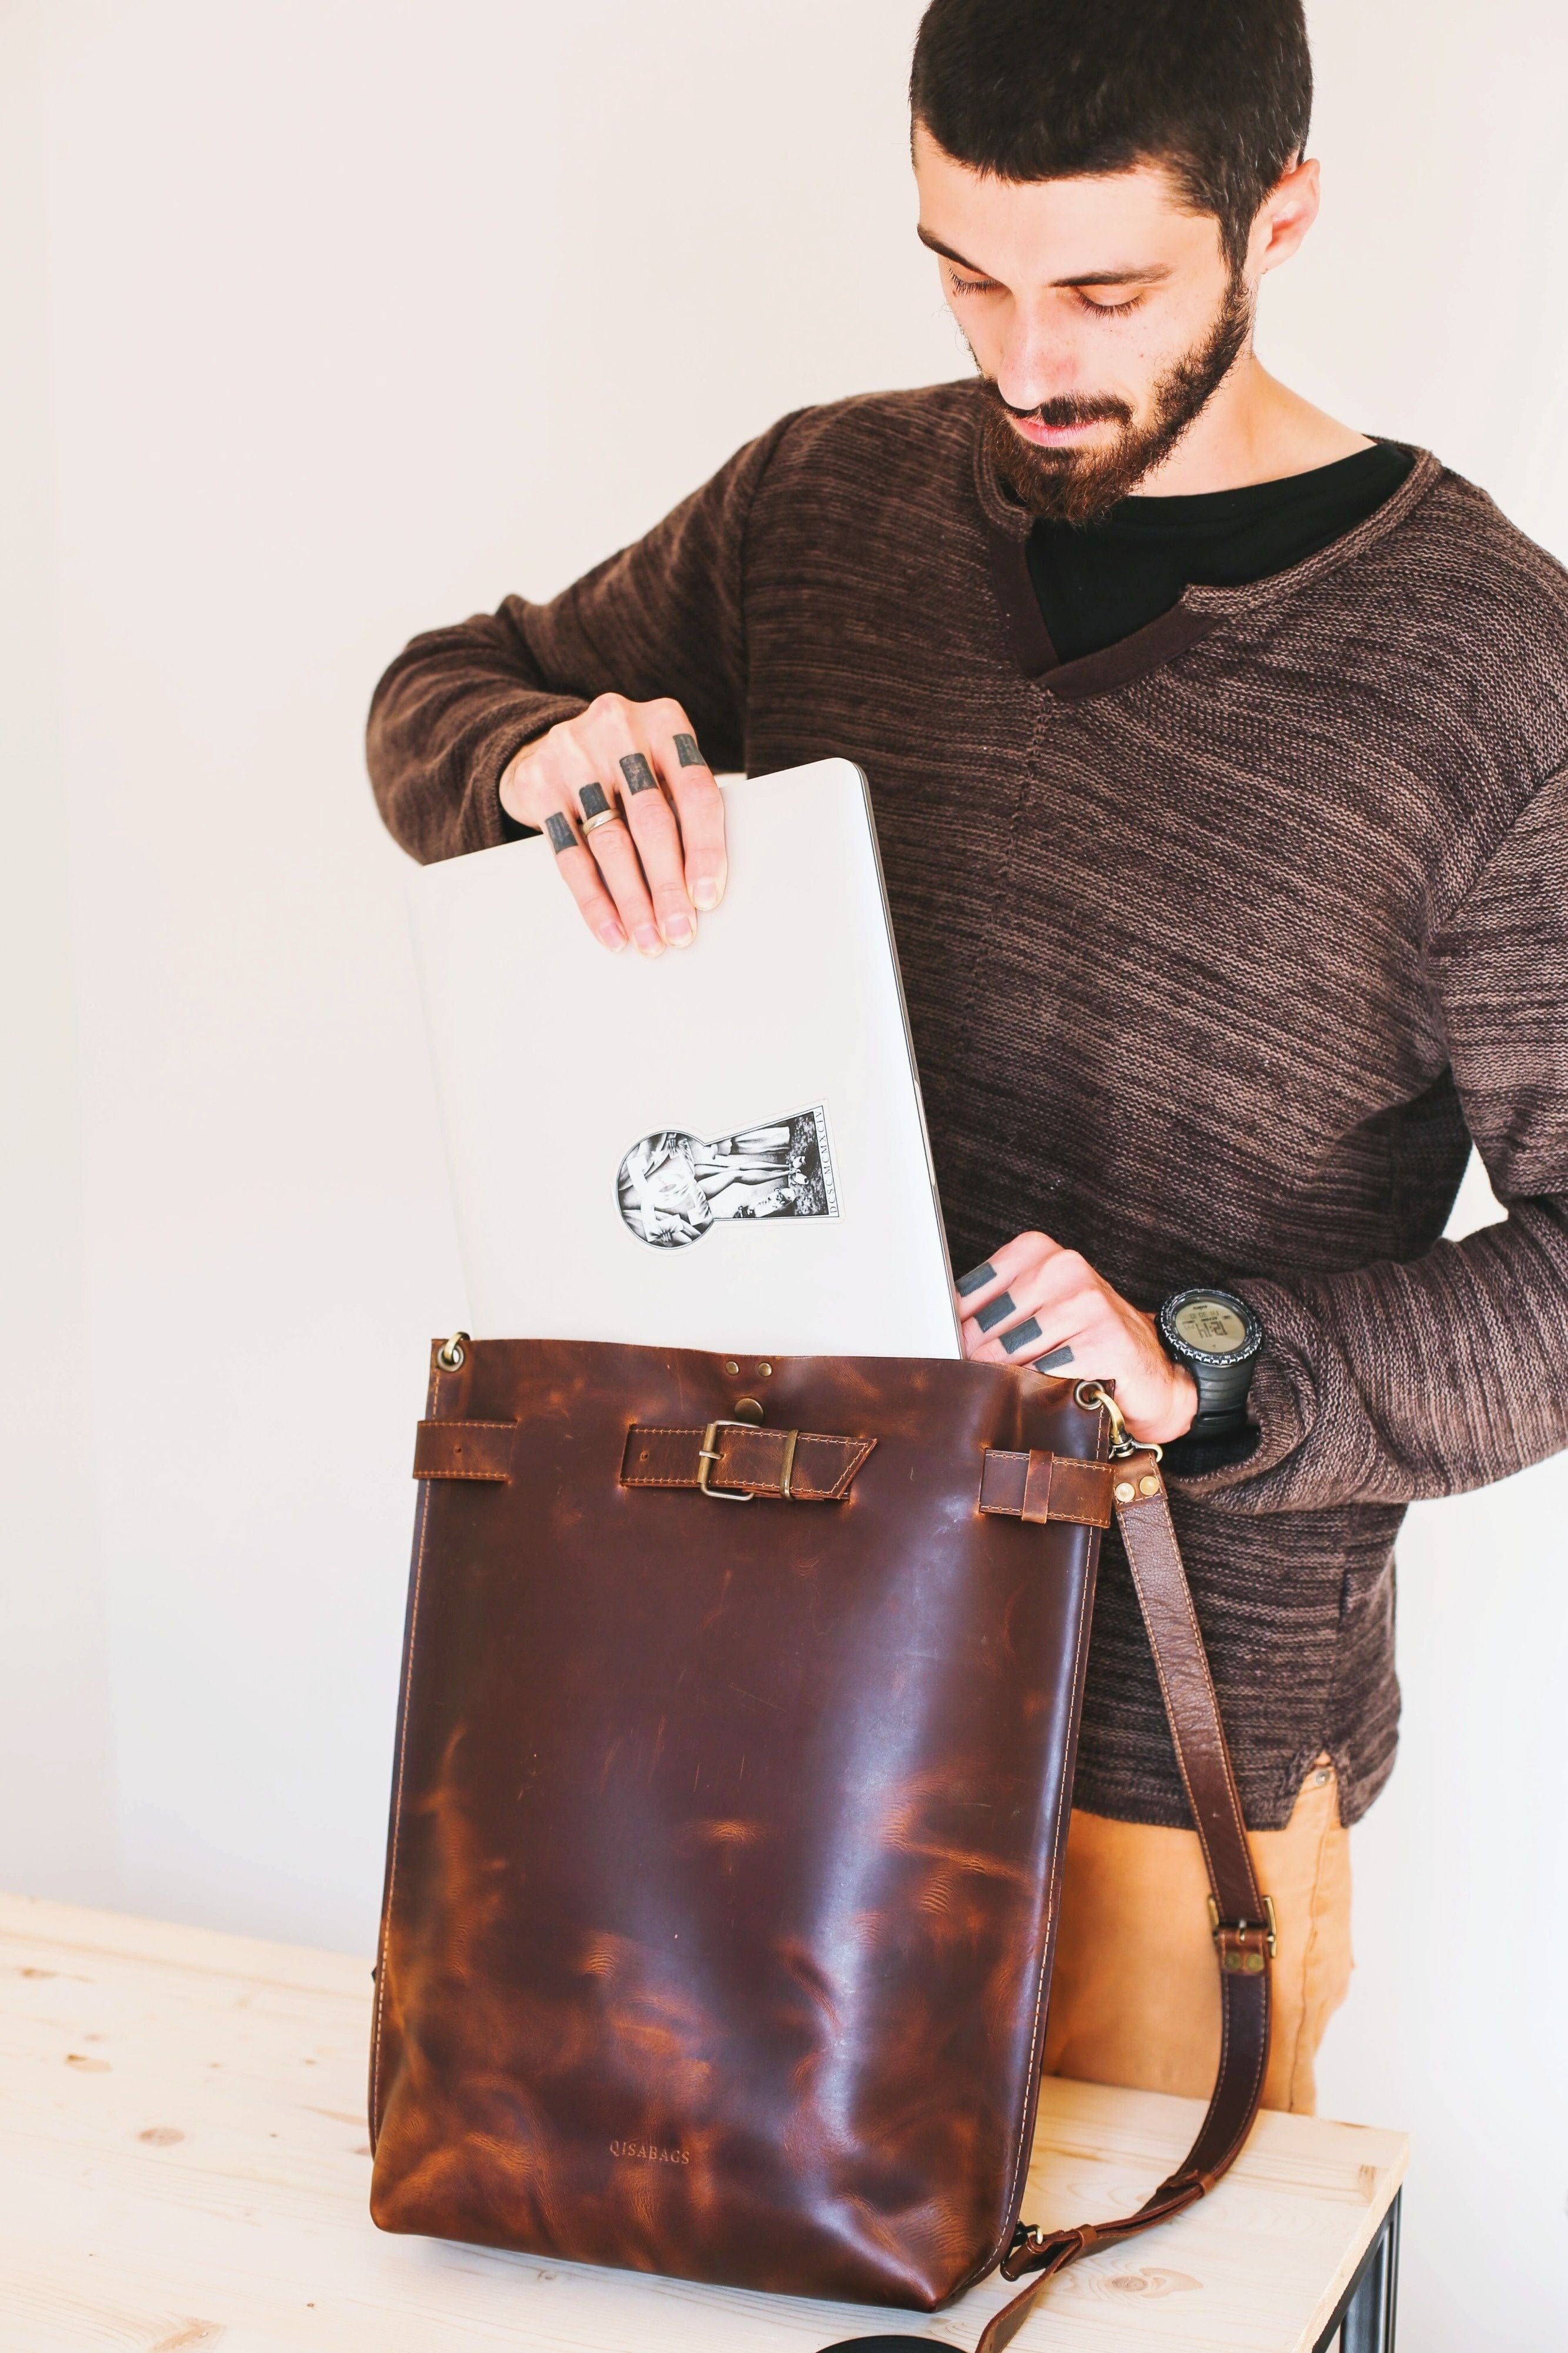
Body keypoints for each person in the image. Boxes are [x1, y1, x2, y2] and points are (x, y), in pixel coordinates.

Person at [366, 0, 1568, 2115]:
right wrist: (535, 756)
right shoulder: (822, 499)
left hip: (1150, 1735)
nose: (1022, 363)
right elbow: (449, 695)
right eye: (963, 271)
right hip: (713, 1625)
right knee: (645, 2265)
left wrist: (1209, 1361)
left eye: (1102, 290)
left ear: (1277, 215)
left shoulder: (1498, 683)